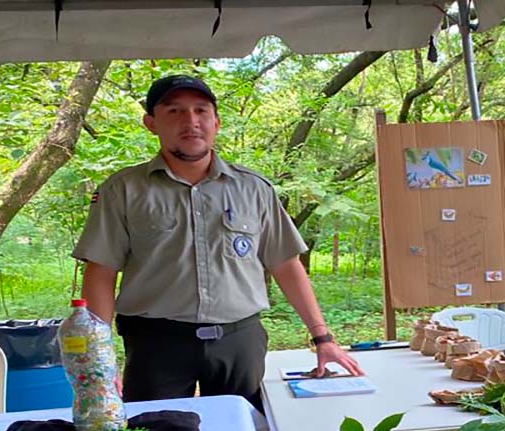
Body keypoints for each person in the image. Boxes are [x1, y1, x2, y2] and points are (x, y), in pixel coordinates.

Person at [73, 74, 362, 412]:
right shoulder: (123, 190)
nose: (191, 122)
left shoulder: (254, 189)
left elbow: (285, 264)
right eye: (175, 111)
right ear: (151, 123)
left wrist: (322, 337)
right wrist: (99, 357)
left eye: (201, 111)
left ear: (216, 122)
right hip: (156, 344)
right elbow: (101, 272)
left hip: (239, 341)